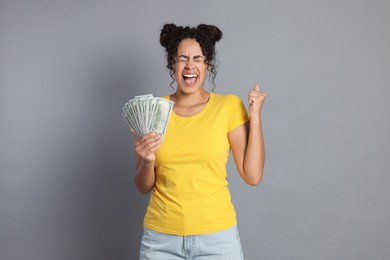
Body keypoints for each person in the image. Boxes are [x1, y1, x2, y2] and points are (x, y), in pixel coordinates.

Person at [131, 23, 266, 260]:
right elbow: (143, 186)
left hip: (217, 239)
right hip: (161, 239)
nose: (190, 65)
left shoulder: (228, 107)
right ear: (172, 64)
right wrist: (147, 161)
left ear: (208, 65)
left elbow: (252, 175)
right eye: (182, 58)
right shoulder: (151, 111)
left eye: (198, 58)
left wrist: (255, 118)